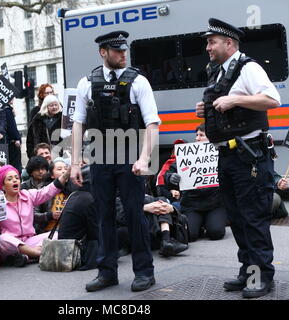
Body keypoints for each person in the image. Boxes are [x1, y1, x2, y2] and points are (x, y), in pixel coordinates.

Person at [196, 18, 281, 298]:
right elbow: (226, 105)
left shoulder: (249, 67)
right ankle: (247, 273)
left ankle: (260, 277)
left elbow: (271, 99)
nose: (208, 46)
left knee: (253, 217)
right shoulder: (219, 72)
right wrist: (206, 108)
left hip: (250, 155)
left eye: (212, 42)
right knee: (237, 217)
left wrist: (234, 101)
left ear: (229, 43)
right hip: (228, 155)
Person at [70, 31, 161, 292]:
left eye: (125, 49)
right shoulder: (87, 83)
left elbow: (152, 124)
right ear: (103, 52)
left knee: (135, 215)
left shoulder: (138, 81)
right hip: (100, 158)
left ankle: (144, 271)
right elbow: (78, 124)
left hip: (130, 157)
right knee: (104, 216)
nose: (124, 54)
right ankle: (106, 271)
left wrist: (145, 159)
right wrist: (76, 163)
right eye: (118, 50)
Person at [0, 165, 70, 266]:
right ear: (3, 186)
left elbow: (47, 191)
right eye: (10, 179)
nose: (15, 180)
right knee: (2, 239)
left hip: (29, 241)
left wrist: (66, 175)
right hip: (11, 245)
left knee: (57, 234)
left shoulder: (27, 195)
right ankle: (38, 254)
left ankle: (26, 256)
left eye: (17, 178)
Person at [164, 124, 227, 242]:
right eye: (197, 135)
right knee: (190, 235)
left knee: (216, 233)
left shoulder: (220, 154)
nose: (197, 138)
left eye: (201, 135)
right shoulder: (187, 154)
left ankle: (211, 222)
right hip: (191, 204)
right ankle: (199, 225)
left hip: (215, 203)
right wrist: (171, 177)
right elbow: (168, 173)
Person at [116, 194, 188, 258]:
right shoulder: (116, 196)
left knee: (161, 201)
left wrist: (171, 208)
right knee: (149, 201)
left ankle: (166, 240)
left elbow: (161, 199)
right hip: (134, 231)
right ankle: (165, 240)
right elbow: (121, 217)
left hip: (152, 230)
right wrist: (144, 208)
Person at [26, 94, 62, 160]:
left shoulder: (63, 119)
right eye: (51, 105)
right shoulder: (37, 119)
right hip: (42, 155)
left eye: (56, 105)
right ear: (46, 107)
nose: (54, 107)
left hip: (60, 154)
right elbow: (30, 139)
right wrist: (32, 155)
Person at [4, 99, 22, 174]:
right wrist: (17, 139)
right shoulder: (7, 110)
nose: (13, 99)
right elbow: (12, 128)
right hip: (11, 144)